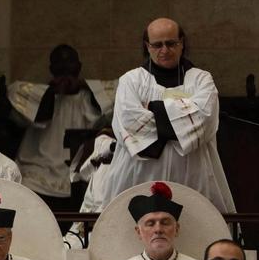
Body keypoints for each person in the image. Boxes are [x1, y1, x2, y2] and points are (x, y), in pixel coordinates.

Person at [91, 18, 235, 213]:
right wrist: (181, 119)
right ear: (147, 47)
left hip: (193, 173)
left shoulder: (201, 79)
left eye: (171, 43)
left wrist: (152, 108)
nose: (164, 50)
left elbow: (203, 121)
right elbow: (130, 123)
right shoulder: (131, 80)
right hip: (139, 174)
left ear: (182, 43)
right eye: (157, 45)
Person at [7, 44, 116, 214]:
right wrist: (52, 90)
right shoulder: (38, 97)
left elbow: (117, 91)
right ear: (51, 68)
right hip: (39, 168)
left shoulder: (90, 97)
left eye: (70, 63)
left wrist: (82, 85)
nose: (65, 68)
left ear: (79, 67)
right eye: (59, 63)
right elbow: (17, 94)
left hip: (78, 167)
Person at [99, 182, 203, 260]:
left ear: (176, 229)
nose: (158, 229)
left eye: (165, 222)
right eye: (150, 224)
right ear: (139, 232)